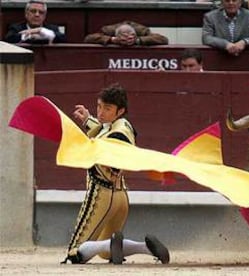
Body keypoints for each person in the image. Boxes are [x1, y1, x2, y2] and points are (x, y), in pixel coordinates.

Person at [61, 84, 170, 265]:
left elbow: (112, 144)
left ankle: (111, 243)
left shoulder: (120, 132)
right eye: (99, 107)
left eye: (107, 109)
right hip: (120, 196)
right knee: (107, 253)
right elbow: (104, 131)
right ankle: (146, 248)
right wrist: (88, 119)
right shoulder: (117, 126)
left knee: (75, 252)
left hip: (101, 195)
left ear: (120, 111)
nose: (101, 113)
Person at [84, 21, 169, 46]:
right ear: (116, 35)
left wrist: (138, 40)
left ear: (135, 34)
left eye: (130, 37)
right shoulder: (109, 30)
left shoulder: (142, 31)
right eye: (123, 38)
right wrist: (111, 40)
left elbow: (163, 39)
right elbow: (88, 38)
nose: (127, 40)